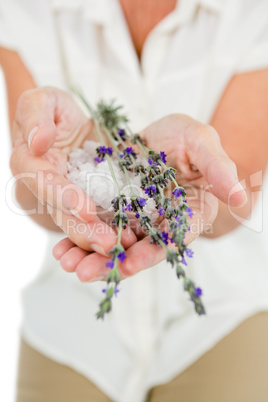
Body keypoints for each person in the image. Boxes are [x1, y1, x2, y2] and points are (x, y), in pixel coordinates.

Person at [1, 0, 268, 401]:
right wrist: (56, 189)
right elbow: (27, 184)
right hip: (71, 320)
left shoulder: (251, 12)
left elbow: (237, 192)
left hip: (222, 310)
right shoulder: (28, 9)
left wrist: (197, 192)